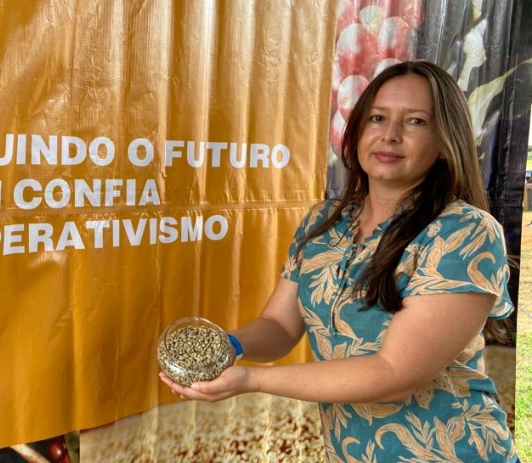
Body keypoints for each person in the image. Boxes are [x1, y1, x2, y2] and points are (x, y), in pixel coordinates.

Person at [160, 60, 518, 462]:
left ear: (444, 141)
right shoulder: (324, 222)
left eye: (416, 121)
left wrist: (250, 380)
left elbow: (394, 373)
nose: (390, 135)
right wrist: (229, 347)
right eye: (377, 118)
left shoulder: (464, 232)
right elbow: (280, 325)